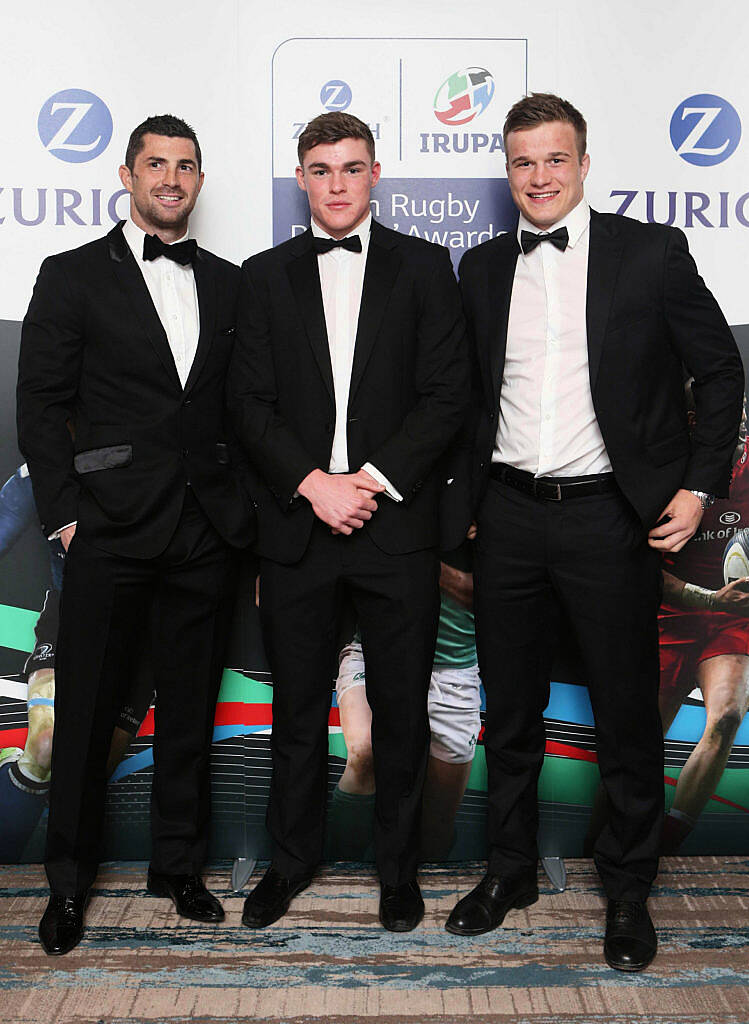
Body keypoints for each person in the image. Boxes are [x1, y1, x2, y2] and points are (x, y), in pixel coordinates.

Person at [446, 92, 744, 971]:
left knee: (623, 715)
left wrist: (697, 487)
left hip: (610, 518)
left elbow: (719, 371)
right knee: (508, 712)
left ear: (582, 164)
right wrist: (457, 511)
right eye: (521, 161)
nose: (538, 176)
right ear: (507, 173)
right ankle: (508, 872)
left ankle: (626, 890)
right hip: (503, 516)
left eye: (553, 159)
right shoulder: (482, 267)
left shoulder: (649, 253)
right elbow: (465, 400)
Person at [17, 114, 255, 955]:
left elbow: (242, 410)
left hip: (206, 528)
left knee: (190, 706)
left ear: (198, 179)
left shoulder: (231, 284)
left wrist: (241, 523)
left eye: (186, 165)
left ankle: (178, 869)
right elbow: (41, 408)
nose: (172, 178)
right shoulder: (72, 275)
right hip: (109, 527)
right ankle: (68, 885)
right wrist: (67, 516)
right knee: (83, 712)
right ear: (127, 174)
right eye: (156, 164)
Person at [230, 111, 467, 932]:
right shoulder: (262, 277)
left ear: (376, 174)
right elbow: (246, 404)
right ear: (300, 178)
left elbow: (448, 395)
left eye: (351, 167)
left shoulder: (426, 266)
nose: (336, 183)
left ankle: (397, 874)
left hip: (394, 530)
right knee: (296, 713)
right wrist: (312, 485)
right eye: (321, 169)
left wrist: (364, 482)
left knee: (402, 713)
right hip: (298, 528)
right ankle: (290, 864)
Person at [657, 401, 749, 852]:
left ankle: (669, 840)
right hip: (672, 613)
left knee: (725, 717)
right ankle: (606, 843)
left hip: (741, 616)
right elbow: (640, 574)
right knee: (640, 743)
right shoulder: (659, 476)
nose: (734, 437)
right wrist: (706, 597)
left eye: (739, 425)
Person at [326, 551, 481, 862]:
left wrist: (411, 548)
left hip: (451, 670)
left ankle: (428, 895)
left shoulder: (474, 509)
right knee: (365, 753)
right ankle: (337, 874)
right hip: (377, 649)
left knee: (436, 825)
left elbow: (480, 593)